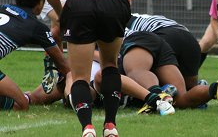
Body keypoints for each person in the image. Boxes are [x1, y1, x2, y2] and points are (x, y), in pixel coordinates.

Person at [40, 0, 150, 136]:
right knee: (110, 65)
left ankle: (87, 128)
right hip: (112, 2)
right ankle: (110, 125)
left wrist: (62, 13)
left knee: (80, 76)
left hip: (79, 4)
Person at [27, 50, 175, 116]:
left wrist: (84, 53)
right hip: (88, 88)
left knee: (102, 75)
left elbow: (116, 62)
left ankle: (157, 99)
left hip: (104, 84)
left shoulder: (102, 45)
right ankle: (74, 97)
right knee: (40, 95)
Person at [119, 29, 218, 112]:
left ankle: (160, 96)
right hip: (172, 39)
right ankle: (217, 88)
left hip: (141, 39)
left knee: (137, 71)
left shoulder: (112, 26)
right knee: (181, 100)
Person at [0, 0, 70, 111]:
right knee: (21, 104)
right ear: (40, 3)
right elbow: (63, 65)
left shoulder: (2, 8)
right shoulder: (36, 27)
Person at [126, 13, 201, 90]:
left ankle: (158, 93)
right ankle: (210, 89)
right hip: (189, 38)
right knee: (190, 88)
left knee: (140, 73)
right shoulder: (140, 16)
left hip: (163, 35)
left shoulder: (119, 22)